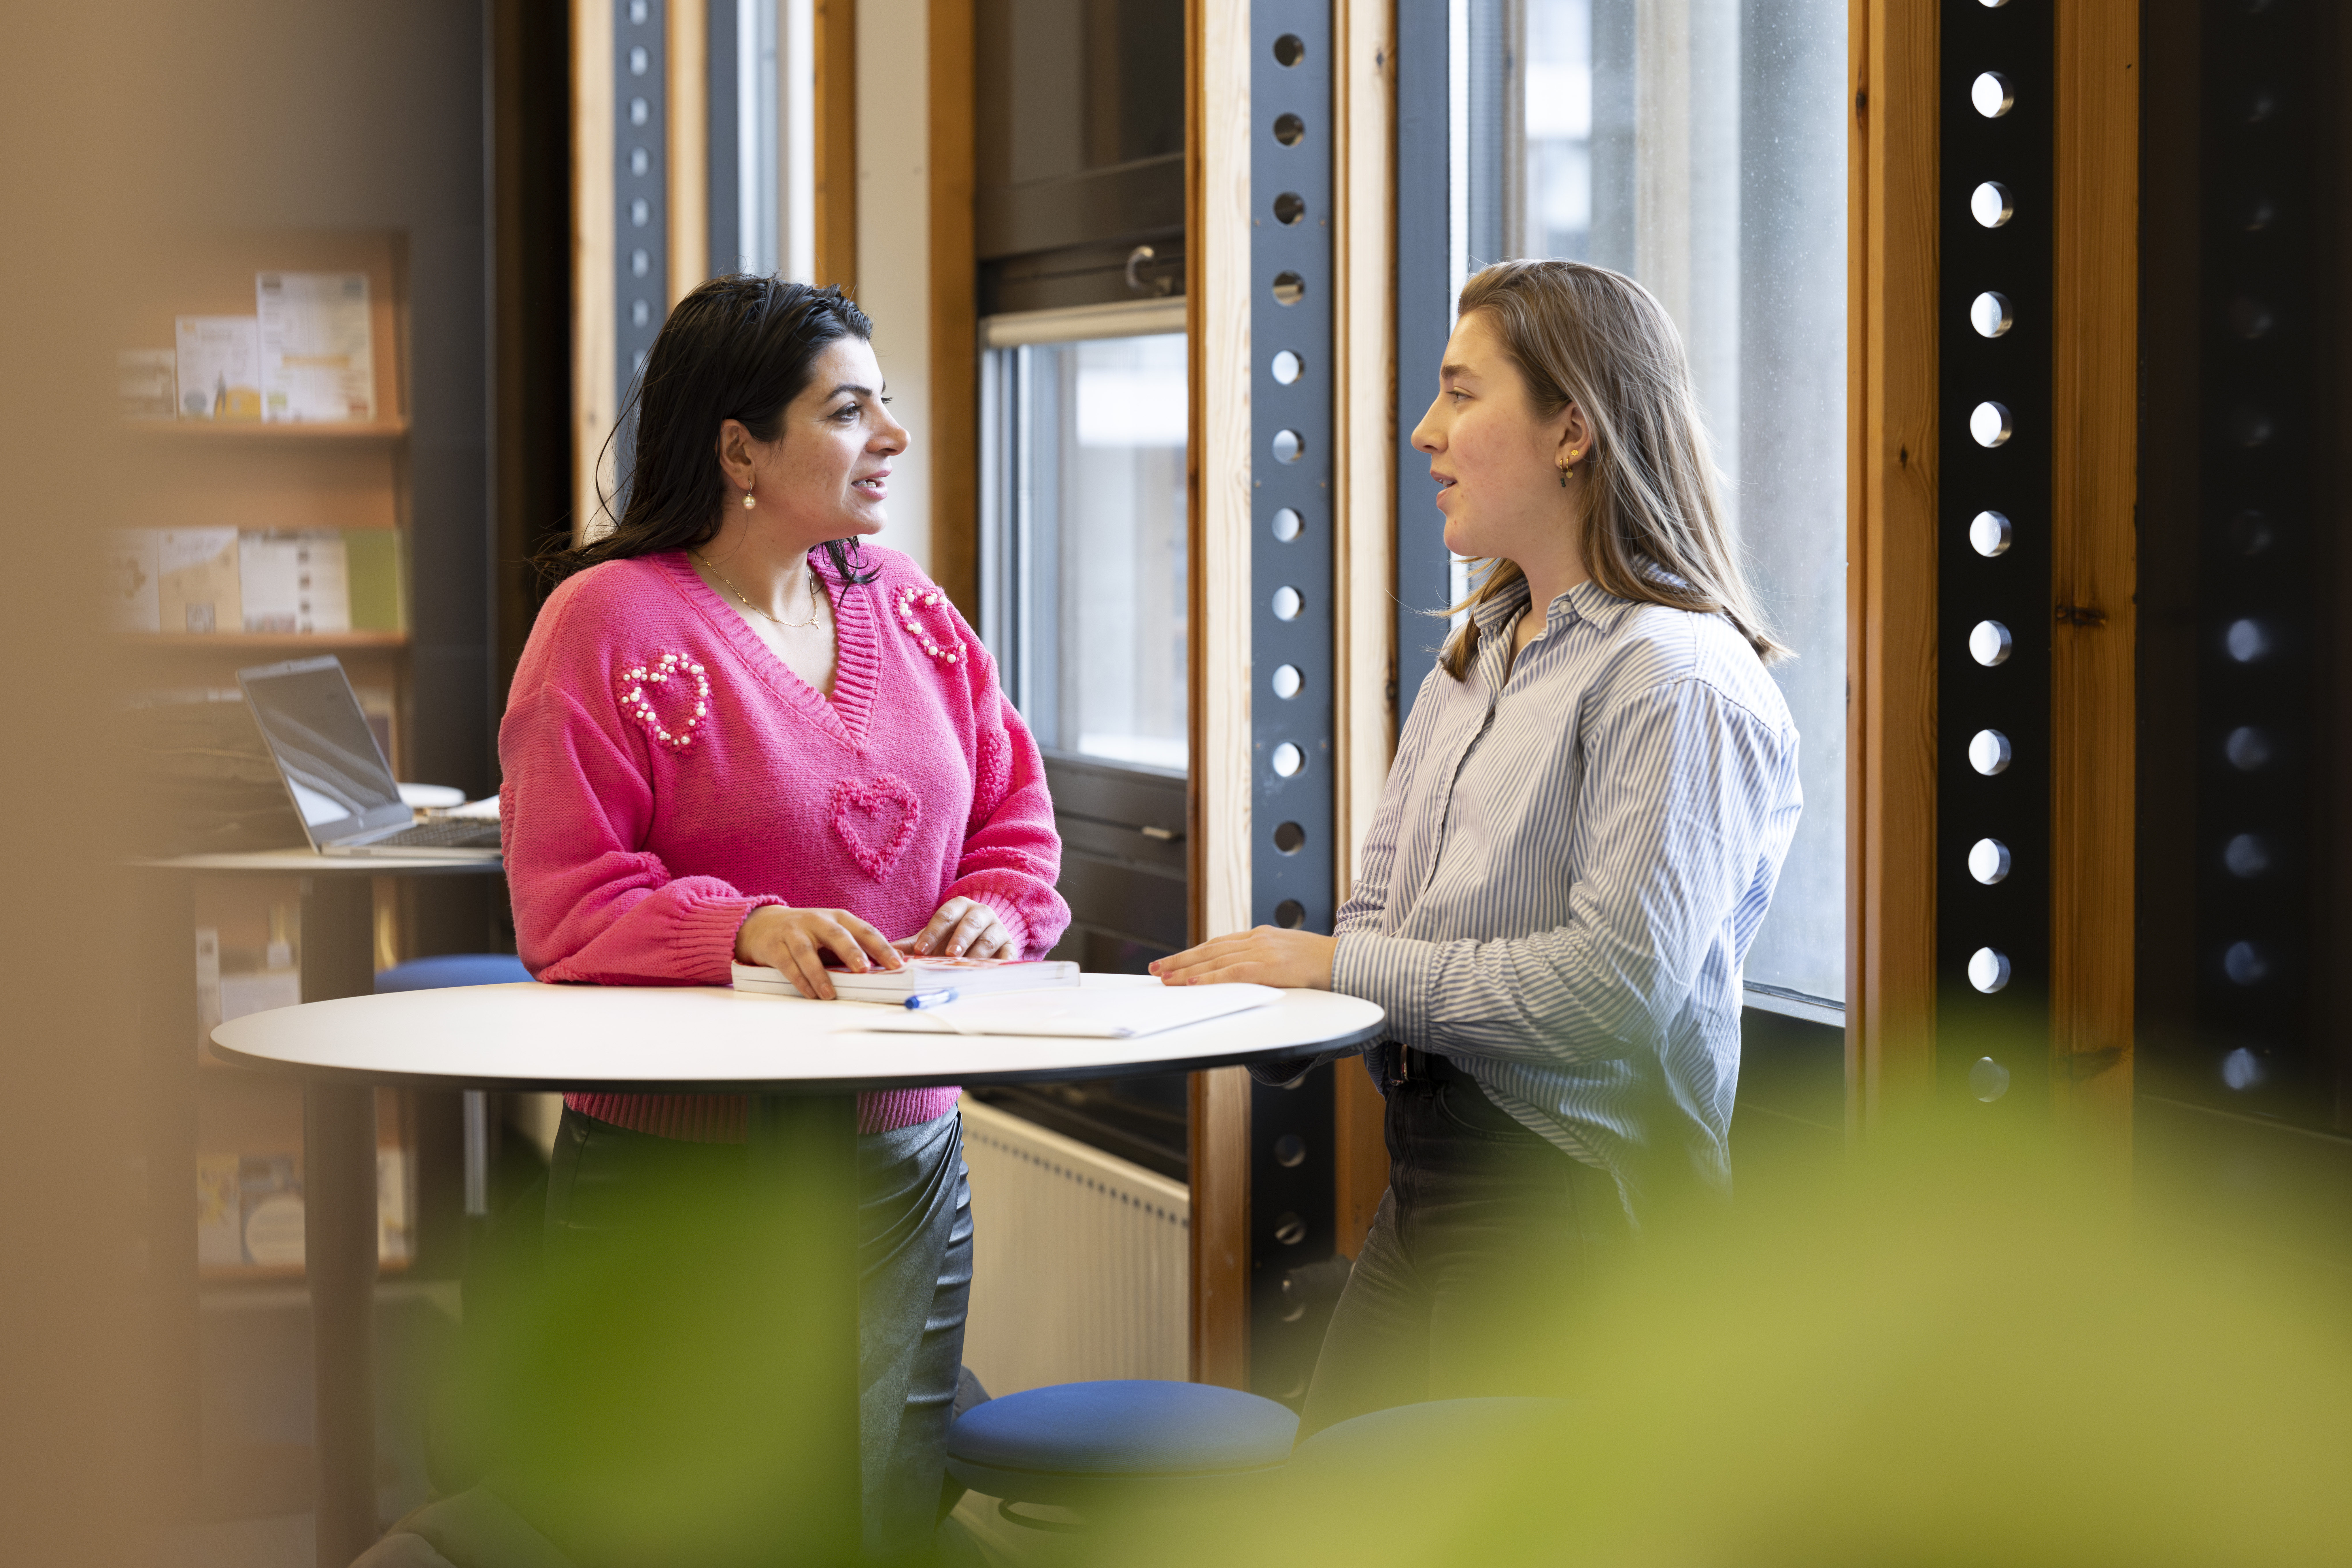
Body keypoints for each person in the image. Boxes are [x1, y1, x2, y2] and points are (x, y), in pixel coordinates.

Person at [1152, 259, 1801, 1436]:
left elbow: (1609, 996)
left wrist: (1328, 971)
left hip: (1568, 1206)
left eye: (1461, 394)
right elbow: (1376, 917)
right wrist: (1295, 980)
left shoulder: (1672, 677)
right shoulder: (1479, 654)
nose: (1422, 431)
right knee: (1338, 1505)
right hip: (1432, 1173)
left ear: (1572, 429)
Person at [498, 276, 1068, 1558]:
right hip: (677, 1174)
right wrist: (745, 927)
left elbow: (1013, 808)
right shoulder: (602, 622)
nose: (892, 438)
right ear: (740, 447)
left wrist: (996, 901)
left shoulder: (908, 604)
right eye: (850, 409)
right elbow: (565, 897)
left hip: (902, 1164)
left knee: (874, 1517)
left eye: (884, 406)